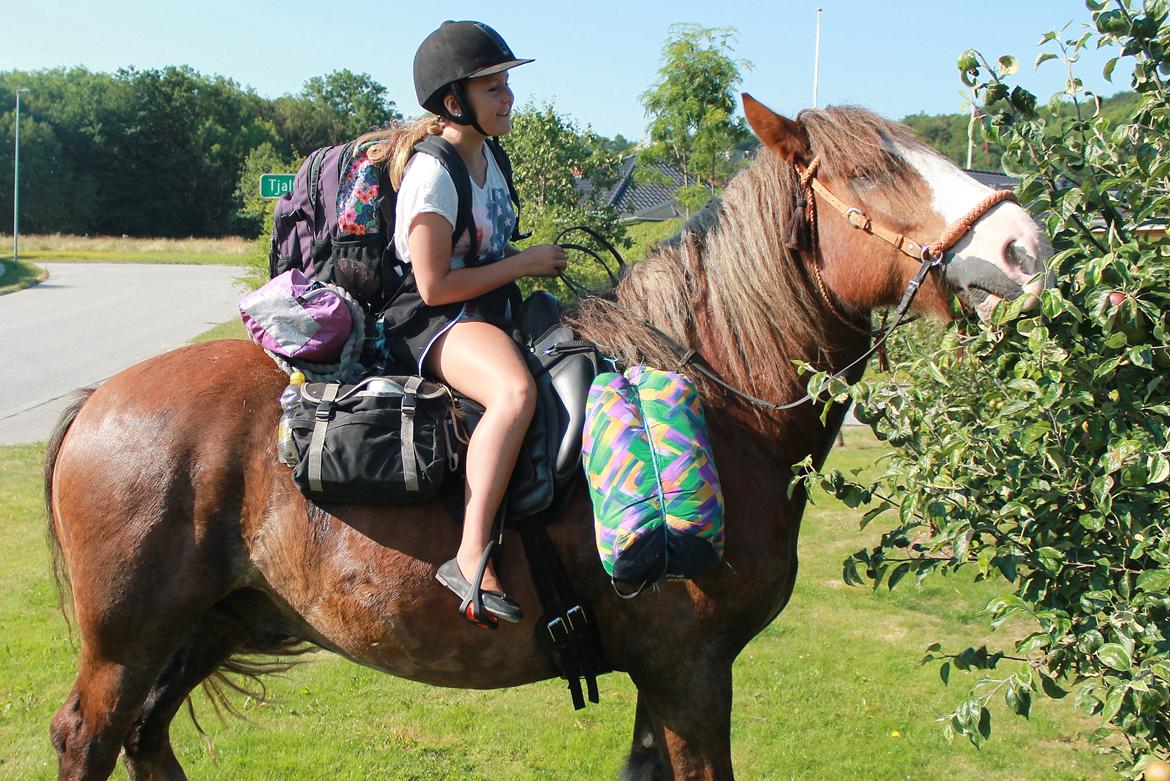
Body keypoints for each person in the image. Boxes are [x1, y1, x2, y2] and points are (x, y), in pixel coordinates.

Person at [370, 21, 567, 626]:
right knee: (512, 391)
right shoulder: (434, 172)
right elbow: (434, 284)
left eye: (506, 84)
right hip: (432, 319)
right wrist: (526, 263)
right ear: (454, 102)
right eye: (493, 88)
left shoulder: (491, 157)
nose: (508, 97)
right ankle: (471, 553)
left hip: (485, 310)